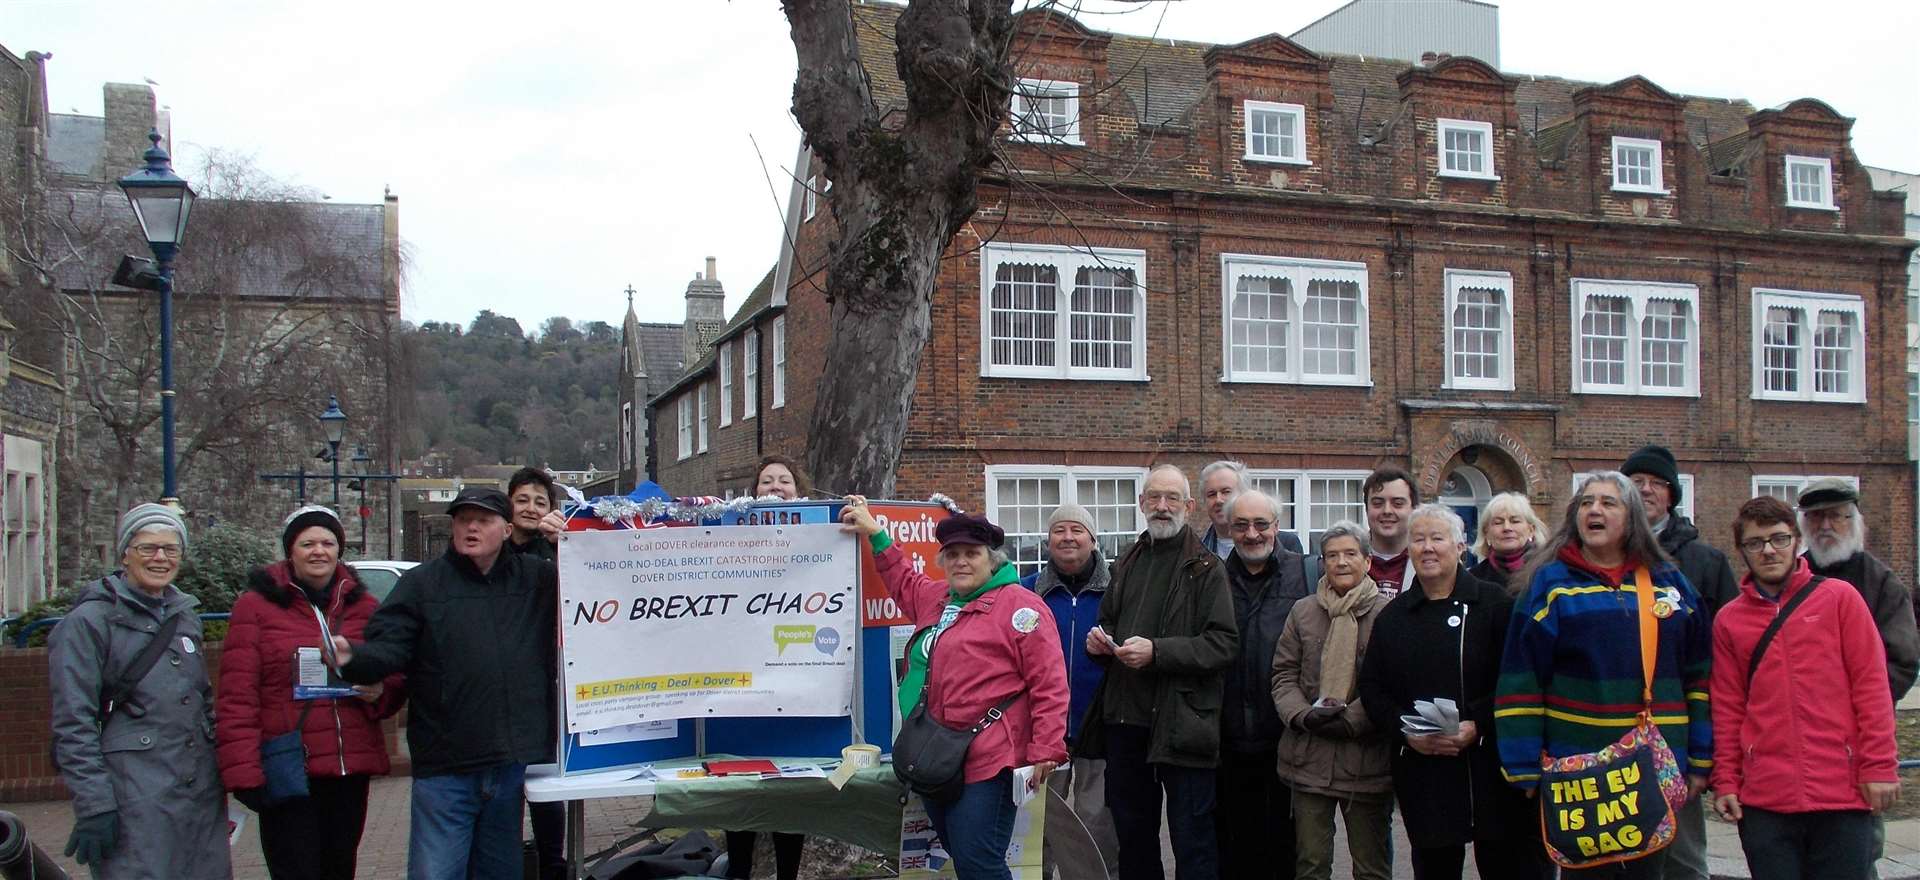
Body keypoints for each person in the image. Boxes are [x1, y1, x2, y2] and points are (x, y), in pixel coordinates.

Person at [330, 486, 563, 880]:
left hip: (508, 763)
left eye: (483, 520)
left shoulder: (537, 579)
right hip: (446, 766)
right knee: (436, 872)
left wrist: (566, 543)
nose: (471, 528)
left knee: (499, 872)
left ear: (507, 529)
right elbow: (390, 645)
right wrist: (354, 659)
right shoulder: (424, 585)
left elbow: (592, 589)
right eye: (462, 519)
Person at [1496, 471, 1713, 878]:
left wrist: (1700, 758)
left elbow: (1699, 678)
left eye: (1608, 503)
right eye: (1586, 503)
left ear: (1632, 518)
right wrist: (1522, 765)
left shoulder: (1672, 585)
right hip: (1582, 777)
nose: (1594, 510)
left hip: (1657, 767)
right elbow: (1520, 683)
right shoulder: (1549, 586)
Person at [840, 499, 1068, 880]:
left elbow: (1049, 682)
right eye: (953, 554)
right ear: (943, 561)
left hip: (989, 760)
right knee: (963, 857)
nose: (961, 561)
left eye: (972, 554)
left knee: (979, 861)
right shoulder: (937, 599)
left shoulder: (1021, 609)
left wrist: (1045, 748)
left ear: (991, 560)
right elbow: (902, 579)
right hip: (935, 755)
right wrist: (875, 533)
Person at [1710, 495, 1899, 880]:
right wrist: (1726, 779)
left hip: (1841, 790)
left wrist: (1879, 765)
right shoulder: (1729, 621)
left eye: (1778, 539)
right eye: (1755, 543)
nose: (1768, 551)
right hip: (1766, 797)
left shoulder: (1839, 599)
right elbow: (1728, 707)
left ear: (1796, 540)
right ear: (1742, 550)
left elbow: (1872, 687)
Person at [217, 505, 406, 880]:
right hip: (290, 768)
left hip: (347, 766)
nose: (318, 551)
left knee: (340, 868)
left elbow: (395, 672)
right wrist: (244, 775)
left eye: (327, 542)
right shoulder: (255, 607)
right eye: (307, 543)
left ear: (339, 550)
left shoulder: (364, 606)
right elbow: (236, 696)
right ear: (291, 551)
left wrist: (380, 692)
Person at [47, 502, 232, 879]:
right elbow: (73, 723)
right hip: (133, 796)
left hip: (197, 799)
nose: (160, 558)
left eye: (171, 549)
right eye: (148, 548)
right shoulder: (88, 624)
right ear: (125, 554)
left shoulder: (185, 618)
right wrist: (95, 804)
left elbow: (203, 703)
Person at [1359, 505, 1541, 880]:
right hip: (1424, 771)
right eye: (1419, 539)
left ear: (1460, 547)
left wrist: (1478, 721)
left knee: (1507, 866)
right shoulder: (1393, 619)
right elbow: (1374, 689)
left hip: (1491, 768)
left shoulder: (1494, 606)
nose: (1427, 548)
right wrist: (1407, 731)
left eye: (1437, 538)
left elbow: (1519, 680)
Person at [1074, 464, 1236, 880]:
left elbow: (1223, 643)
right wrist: (1100, 644)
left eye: (1172, 498)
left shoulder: (1206, 567)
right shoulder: (1127, 560)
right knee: (1134, 838)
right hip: (1126, 721)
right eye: (1154, 498)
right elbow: (1109, 620)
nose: (1162, 507)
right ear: (1142, 503)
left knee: (1192, 840)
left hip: (1183, 723)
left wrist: (1158, 652)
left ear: (1189, 505)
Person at [1796, 477, 1919, 874]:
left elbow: (1899, 662)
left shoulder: (1881, 583)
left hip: (1858, 741)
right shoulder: (1790, 578)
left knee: (1858, 852)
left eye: (1835, 516)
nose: (1825, 526)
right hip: (1795, 742)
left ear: (1855, 520)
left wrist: (1845, 708)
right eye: (1816, 518)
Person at [1272, 520, 1393, 880]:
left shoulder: (1387, 615)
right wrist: (1303, 716)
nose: (1340, 562)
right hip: (1308, 757)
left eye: (1350, 554)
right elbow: (1283, 674)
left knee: (1371, 867)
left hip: (1365, 763)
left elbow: (1391, 683)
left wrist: (1350, 720)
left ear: (1368, 562)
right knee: (1311, 865)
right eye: (1331, 556)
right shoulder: (1303, 611)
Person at [721, 456, 813, 880]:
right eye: (766, 480)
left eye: (785, 480)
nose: (775, 487)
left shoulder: (818, 532)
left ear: (798, 490)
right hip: (741, 681)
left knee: (790, 800)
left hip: (796, 675)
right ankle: (738, 871)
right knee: (739, 794)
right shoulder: (730, 533)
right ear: (753, 490)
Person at [1018, 502, 1120, 880]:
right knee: (1040, 825)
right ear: (1048, 541)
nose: (1068, 537)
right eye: (1059, 530)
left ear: (1093, 540)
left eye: (1077, 530)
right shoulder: (1027, 592)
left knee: (1097, 826)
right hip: (1042, 730)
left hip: (1100, 726)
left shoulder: (1117, 590)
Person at [1215, 491, 1310, 879]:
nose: (1251, 534)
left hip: (1284, 737)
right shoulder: (1212, 578)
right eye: (1241, 525)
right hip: (1227, 738)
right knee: (1232, 849)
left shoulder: (1305, 575)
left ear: (1277, 526)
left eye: (1260, 524)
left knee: (1284, 848)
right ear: (1228, 529)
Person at [504, 468, 566, 880]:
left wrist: (563, 547)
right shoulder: (495, 551)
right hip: (503, 689)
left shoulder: (559, 549)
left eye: (540, 502)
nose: (531, 508)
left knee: (548, 791)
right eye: (523, 499)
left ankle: (553, 866)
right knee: (506, 792)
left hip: (547, 685)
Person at [1198, 460, 1302, 558]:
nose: (1218, 500)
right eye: (1211, 494)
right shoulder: (1195, 550)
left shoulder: (1287, 544)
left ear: (1244, 493)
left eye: (1226, 492)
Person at [1466, 491, 1544, 592]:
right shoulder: (1473, 579)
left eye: (1515, 521)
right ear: (1486, 532)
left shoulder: (1546, 571)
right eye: (1498, 522)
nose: (1507, 528)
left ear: (1531, 530)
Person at [1362, 468, 1419, 599]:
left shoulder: (1430, 562)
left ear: (1413, 510)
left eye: (1398, 503)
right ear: (1367, 508)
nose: (1387, 510)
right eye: (1377, 503)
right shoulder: (1346, 560)